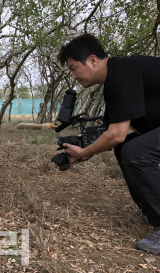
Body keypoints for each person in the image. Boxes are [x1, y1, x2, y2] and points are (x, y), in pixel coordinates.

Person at [55, 33, 160, 255]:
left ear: (92, 60)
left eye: (74, 68)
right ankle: (151, 211)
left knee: (135, 149)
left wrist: (83, 153)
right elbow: (108, 134)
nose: (73, 75)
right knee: (127, 147)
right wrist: (78, 152)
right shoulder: (117, 77)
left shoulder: (122, 73)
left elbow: (116, 134)